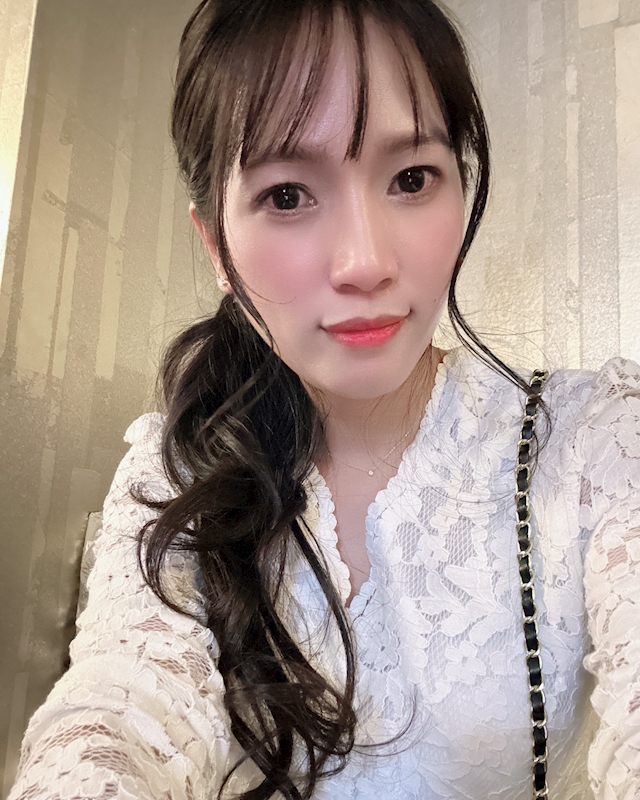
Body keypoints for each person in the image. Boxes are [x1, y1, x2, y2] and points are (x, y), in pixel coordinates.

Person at [8, 0, 640, 798]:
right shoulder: (177, 472)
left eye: (411, 178)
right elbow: (120, 709)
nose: (365, 262)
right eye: (286, 196)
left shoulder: (591, 443)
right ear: (216, 246)